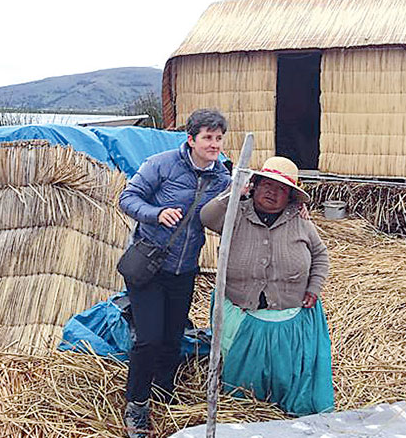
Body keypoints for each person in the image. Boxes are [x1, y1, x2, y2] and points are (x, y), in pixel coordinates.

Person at [118, 109, 231, 437]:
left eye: (219, 138)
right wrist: (156, 213)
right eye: (208, 138)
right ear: (191, 139)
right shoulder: (162, 164)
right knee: (149, 338)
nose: (214, 144)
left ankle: (163, 393)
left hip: (184, 270)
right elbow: (128, 197)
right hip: (150, 266)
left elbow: (244, 202)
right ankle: (137, 404)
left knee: (172, 338)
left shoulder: (222, 179)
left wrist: (294, 206)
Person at [200, 156, 334, 416]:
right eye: (267, 185)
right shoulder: (237, 212)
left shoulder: (301, 221)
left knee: (288, 372)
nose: (272, 192)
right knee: (243, 380)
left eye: (282, 189)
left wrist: (314, 287)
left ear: (290, 197)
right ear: (255, 186)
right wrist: (233, 192)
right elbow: (206, 217)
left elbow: (320, 255)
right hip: (242, 308)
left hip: (289, 312)